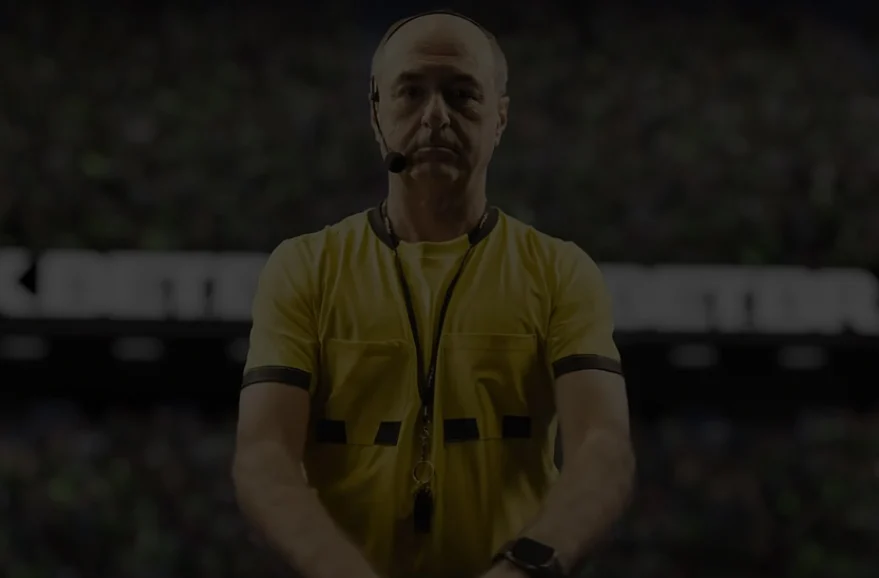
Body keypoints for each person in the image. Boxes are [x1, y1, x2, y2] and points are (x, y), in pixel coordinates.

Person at [233, 10, 635, 578]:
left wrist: (525, 568)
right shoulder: (304, 268)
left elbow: (603, 445)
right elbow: (263, 453)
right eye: (411, 92)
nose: (435, 116)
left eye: (462, 94)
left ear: (500, 117)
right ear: (376, 113)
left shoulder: (560, 272)